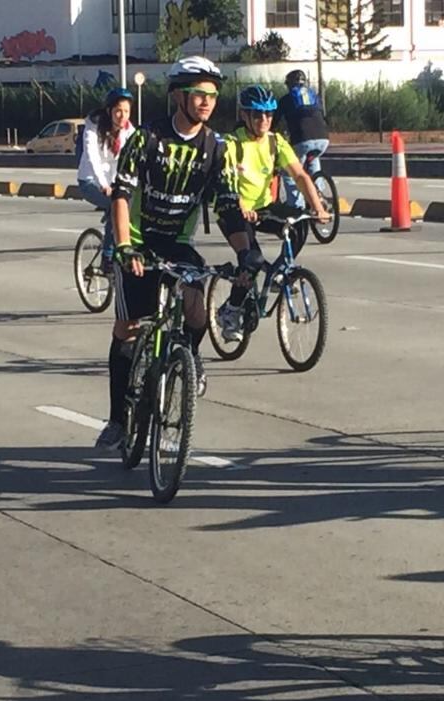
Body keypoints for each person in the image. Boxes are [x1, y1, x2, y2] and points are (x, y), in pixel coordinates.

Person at [94, 56, 252, 450]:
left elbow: (228, 207)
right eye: (199, 94)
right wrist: (124, 245)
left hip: (178, 244)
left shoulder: (216, 148)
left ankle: (190, 356)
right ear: (179, 96)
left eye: (213, 96)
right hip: (138, 240)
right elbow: (122, 195)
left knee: (197, 306)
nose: (207, 102)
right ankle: (117, 418)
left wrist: (247, 253)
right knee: (128, 329)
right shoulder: (146, 139)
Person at [216, 84, 331, 342]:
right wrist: (240, 205)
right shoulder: (233, 143)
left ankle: (279, 272)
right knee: (252, 260)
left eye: (269, 115)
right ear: (245, 115)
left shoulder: (275, 142)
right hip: (234, 209)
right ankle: (231, 311)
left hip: (264, 207)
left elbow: (300, 175)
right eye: (258, 115)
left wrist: (318, 207)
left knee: (300, 221)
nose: (264, 120)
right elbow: (225, 179)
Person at [77, 87, 135, 273]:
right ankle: (107, 258)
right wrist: (103, 183)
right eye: (118, 111)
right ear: (109, 110)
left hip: (115, 183)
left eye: (126, 111)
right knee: (115, 205)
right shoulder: (93, 126)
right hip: (91, 181)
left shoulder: (129, 130)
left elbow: (137, 155)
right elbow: (92, 155)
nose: (122, 116)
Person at [273, 70, 330, 208]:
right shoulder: (314, 96)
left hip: (302, 139)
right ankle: (319, 195)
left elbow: (274, 120)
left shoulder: (286, 99)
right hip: (323, 138)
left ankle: (295, 205)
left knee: (290, 172)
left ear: (289, 84)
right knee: (313, 160)